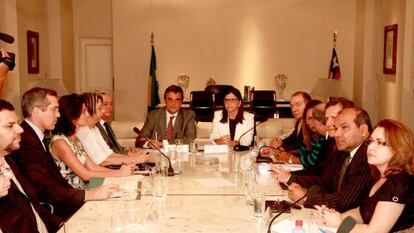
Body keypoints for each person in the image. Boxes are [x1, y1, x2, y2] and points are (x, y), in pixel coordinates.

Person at [11, 87, 120, 222]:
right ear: (37, 111)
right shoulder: (26, 141)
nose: (58, 115)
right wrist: (88, 195)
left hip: (65, 198)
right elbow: (44, 187)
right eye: (54, 109)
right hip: (50, 211)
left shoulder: (36, 136)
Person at [317, 119, 414, 232]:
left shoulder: (399, 183)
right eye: (371, 141)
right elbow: (360, 213)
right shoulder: (379, 178)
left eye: (380, 142)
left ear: (399, 148)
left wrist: (339, 223)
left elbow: (375, 231)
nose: (371, 147)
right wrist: (335, 216)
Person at [284, 107, 373, 212]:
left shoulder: (367, 157)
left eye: (344, 127)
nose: (337, 134)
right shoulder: (345, 152)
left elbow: (345, 202)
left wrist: (306, 198)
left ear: (363, 130)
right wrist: (306, 191)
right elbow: (329, 183)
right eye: (336, 128)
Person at [50, 94, 134, 189]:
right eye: (84, 111)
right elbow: (85, 174)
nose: (88, 114)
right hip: (72, 195)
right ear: (72, 117)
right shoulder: (60, 142)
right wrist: (119, 173)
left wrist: (122, 172)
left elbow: (93, 167)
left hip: (86, 188)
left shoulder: (75, 139)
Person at [272, 97, 354, 183]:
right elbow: (321, 170)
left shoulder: (330, 140)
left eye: (333, 118)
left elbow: (320, 171)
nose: (328, 123)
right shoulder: (330, 141)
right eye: (327, 119)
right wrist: (291, 175)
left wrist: (290, 166)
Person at [77, 92, 149, 166]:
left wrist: (134, 157)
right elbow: (102, 162)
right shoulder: (83, 131)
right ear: (87, 111)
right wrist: (135, 159)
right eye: (100, 107)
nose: (103, 110)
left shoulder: (95, 128)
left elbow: (109, 154)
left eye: (111, 104)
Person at [275, 100, 329, 168]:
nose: (313, 122)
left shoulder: (324, 136)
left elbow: (313, 161)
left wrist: (290, 159)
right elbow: (302, 151)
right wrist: (284, 153)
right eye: (309, 118)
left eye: (316, 118)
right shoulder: (310, 133)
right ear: (305, 121)